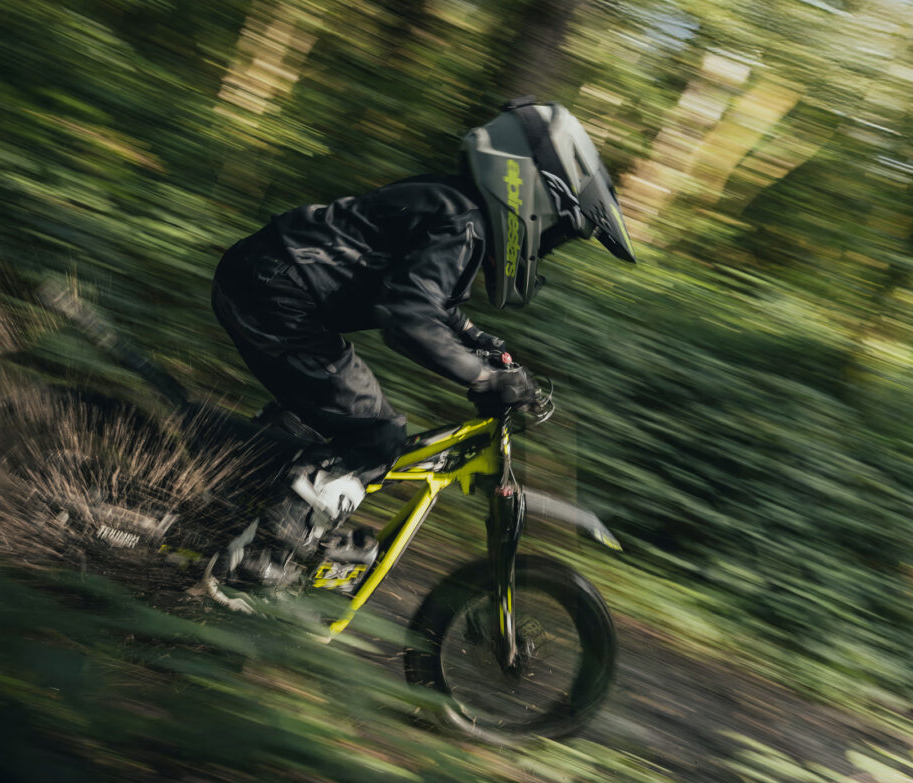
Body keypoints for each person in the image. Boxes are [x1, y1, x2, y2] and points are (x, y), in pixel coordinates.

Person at [212, 98, 637, 585]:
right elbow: (408, 318)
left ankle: (222, 499)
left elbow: (429, 301)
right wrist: (484, 377)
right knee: (376, 434)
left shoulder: (456, 209)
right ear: (533, 195)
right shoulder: (464, 224)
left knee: (315, 427)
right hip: (277, 294)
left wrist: (479, 342)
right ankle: (265, 552)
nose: (547, 246)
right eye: (555, 232)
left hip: (266, 282)